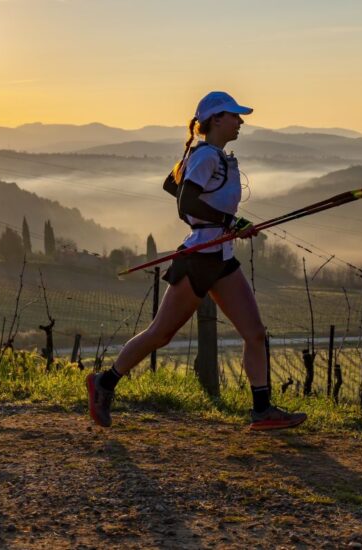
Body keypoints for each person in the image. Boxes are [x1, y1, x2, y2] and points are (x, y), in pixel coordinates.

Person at [86, 91, 306, 431]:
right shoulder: (206, 157)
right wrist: (228, 223)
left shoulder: (208, 156)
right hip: (201, 259)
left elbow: (171, 186)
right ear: (217, 119)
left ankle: (261, 411)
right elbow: (184, 200)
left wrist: (218, 222)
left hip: (222, 258)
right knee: (160, 334)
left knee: (255, 334)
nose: (240, 121)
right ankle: (104, 383)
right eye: (234, 116)